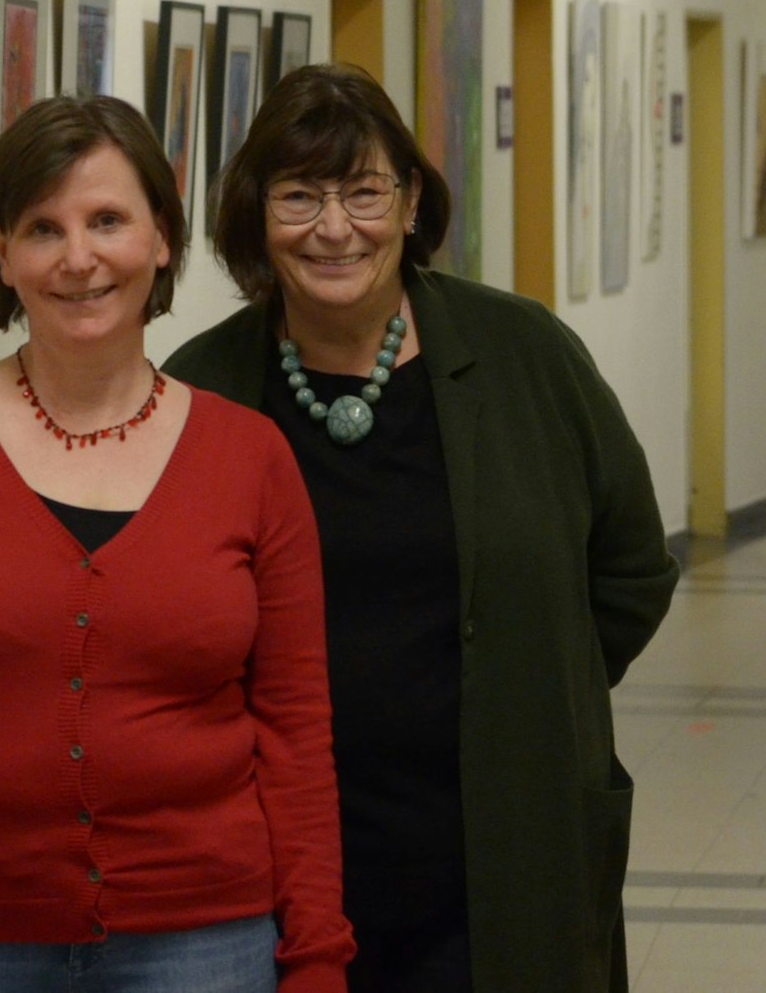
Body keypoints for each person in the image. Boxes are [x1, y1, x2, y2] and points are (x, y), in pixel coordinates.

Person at [164, 63, 679, 992]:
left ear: (409, 206)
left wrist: (526, 687)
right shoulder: (202, 389)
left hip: (499, 847)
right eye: (298, 196)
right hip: (281, 854)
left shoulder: (526, 355)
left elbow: (633, 566)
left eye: (364, 192)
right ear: (254, 216)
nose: (333, 228)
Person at [0, 95, 355, 993]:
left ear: (161, 236)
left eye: (107, 220)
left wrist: (314, 960)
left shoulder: (249, 458)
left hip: (201, 940)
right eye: (43, 227)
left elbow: (295, 736)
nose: (79, 258)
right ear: (1, 252)